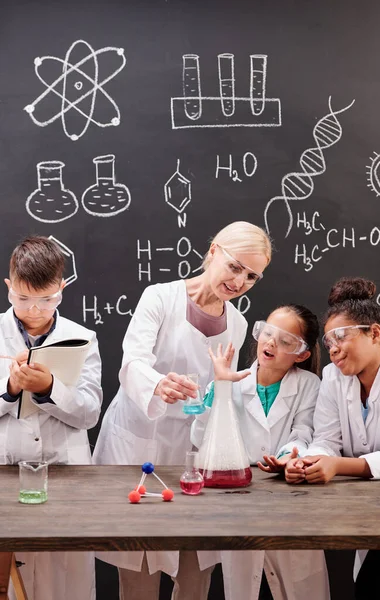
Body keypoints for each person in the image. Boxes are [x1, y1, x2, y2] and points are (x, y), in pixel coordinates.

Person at [93, 221, 271, 600]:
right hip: (140, 443)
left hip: (194, 451)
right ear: (213, 252)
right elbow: (132, 362)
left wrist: (220, 390)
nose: (239, 282)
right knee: (140, 570)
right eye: (235, 267)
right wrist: (158, 384)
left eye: (252, 276)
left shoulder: (236, 326)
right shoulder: (159, 297)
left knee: (194, 571)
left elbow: (218, 393)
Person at [191, 304, 330, 600]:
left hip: (290, 496)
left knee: (301, 584)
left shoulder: (309, 385)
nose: (270, 343)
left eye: (284, 342)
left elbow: (304, 432)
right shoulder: (231, 380)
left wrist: (288, 455)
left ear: (302, 354)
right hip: (240, 499)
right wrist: (221, 387)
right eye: (268, 333)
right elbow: (202, 436)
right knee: (243, 584)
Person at [0, 236, 102, 600]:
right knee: (11, 581)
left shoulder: (82, 338)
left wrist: (50, 388)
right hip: (7, 472)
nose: (35, 309)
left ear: (61, 287)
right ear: (9, 287)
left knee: (67, 580)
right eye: (23, 298)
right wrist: (10, 388)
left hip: (66, 472)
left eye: (47, 299)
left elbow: (90, 412)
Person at [285, 276, 380, 599]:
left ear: (375, 334)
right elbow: (325, 439)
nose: (332, 349)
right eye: (328, 341)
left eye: (340, 337)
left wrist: (337, 466)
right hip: (362, 514)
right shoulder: (334, 378)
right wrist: (307, 461)